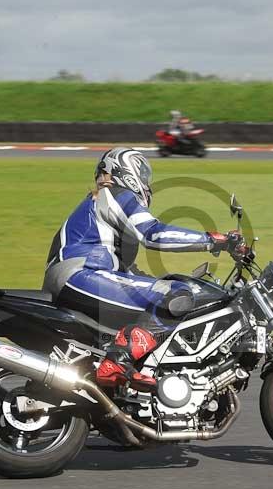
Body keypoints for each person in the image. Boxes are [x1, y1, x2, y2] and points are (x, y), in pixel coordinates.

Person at [43, 147, 237, 392]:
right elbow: (155, 234)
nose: (146, 181)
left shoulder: (101, 206)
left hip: (78, 277)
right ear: (125, 171)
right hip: (82, 275)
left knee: (164, 294)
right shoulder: (114, 193)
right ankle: (118, 360)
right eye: (143, 172)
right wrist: (213, 240)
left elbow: (127, 273)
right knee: (176, 293)